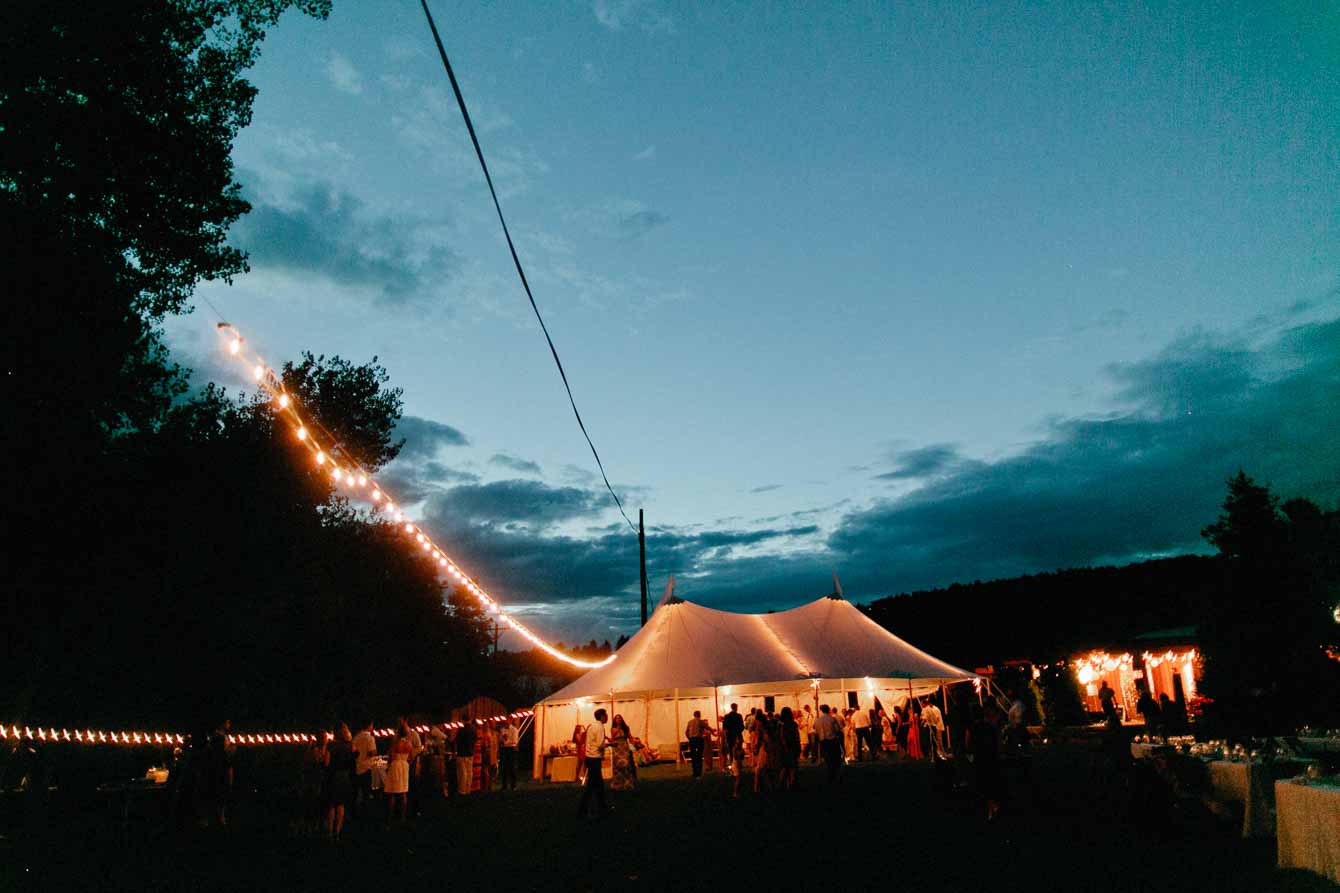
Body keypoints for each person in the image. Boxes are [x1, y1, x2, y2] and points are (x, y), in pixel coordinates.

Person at [967, 705, 1003, 820]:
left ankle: (989, 808)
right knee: (990, 782)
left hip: (980, 758)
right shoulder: (990, 727)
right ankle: (992, 806)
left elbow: (968, 745)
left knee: (983, 783)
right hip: (990, 757)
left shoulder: (972, 729)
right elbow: (997, 742)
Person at [577, 708, 610, 817]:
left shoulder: (591, 726)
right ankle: (584, 807)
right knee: (592, 785)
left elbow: (590, 742)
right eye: (606, 715)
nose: (607, 717)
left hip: (590, 757)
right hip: (595, 758)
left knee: (597, 784)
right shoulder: (600, 727)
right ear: (601, 716)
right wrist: (609, 745)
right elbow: (600, 744)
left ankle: (601, 806)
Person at [325, 723, 355, 839]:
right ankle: (337, 831)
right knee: (341, 805)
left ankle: (329, 831)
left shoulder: (331, 745)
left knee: (331, 804)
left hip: (333, 776)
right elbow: (354, 757)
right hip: (344, 776)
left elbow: (327, 762)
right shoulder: (349, 745)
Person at [300, 732, 329, 836]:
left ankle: (319, 827)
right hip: (314, 781)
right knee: (313, 804)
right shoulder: (314, 750)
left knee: (320, 805)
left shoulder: (326, 750)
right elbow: (318, 763)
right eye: (325, 737)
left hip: (322, 780)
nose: (327, 739)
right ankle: (311, 828)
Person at [384, 723, 412, 823]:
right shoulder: (408, 744)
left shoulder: (395, 744)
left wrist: (388, 765)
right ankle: (402, 817)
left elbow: (390, 757)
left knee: (392, 792)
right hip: (404, 766)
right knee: (403, 792)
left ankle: (389, 817)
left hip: (395, 765)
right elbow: (411, 758)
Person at [352, 719, 377, 810]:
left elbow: (353, 751)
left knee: (356, 791)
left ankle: (355, 810)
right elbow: (372, 752)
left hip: (357, 767)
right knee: (366, 792)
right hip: (366, 768)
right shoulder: (370, 738)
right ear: (369, 725)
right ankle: (365, 810)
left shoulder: (356, 737)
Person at [814, 704, 842, 783]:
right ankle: (835, 773)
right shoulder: (832, 719)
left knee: (828, 757)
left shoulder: (818, 720)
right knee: (835, 757)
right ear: (828, 709)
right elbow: (837, 729)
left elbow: (816, 730)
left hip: (823, 741)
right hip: (832, 740)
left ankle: (830, 771)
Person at [609, 714, 636, 791]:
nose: (618, 720)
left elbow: (630, 737)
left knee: (626, 764)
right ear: (615, 720)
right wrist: (618, 729)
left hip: (624, 747)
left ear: (622, 720)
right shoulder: (613, 729)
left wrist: (634, 741)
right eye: (617, 719)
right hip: (617, 748)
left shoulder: (626, 728)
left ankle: (627, 783)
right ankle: (618, 784)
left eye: (619, 718)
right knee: (618, 766)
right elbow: (612, 738)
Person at [778, 707, 800, 790]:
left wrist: (784, 746)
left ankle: (784, 784)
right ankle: (791, 783)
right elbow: (796, 736)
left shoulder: (781, 724)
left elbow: (781, 736)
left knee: (785, 767)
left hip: (785, 747)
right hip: (792, 746)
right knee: (792, 766)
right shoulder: (793, 724)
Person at [454, 719, 476, 797]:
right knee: (469, 772)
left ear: (463, 721)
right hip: (470, 753)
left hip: (462, 753)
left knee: (462, 773)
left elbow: (456, 740)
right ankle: (468, 789)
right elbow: (474, 740)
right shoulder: (473, 729)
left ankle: (462, 791)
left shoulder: (461, 730)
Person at [721, 704, 745, 772]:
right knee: (739, 751)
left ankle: (733, 765)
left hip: (730, 737)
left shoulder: (727, 716)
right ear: (736, 708)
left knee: (731, 752)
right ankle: (739, 765)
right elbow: (742, 727)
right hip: (737, 736)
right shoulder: (739, 716)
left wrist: (726, 737)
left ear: (731, 707)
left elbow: (724, 728)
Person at [498, 717, 519, 791]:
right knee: (504, 768)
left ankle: (513, 786)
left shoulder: (514, 730)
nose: (505, 721)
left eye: (507, 720)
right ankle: (504, 786)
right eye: (505, 720)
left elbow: (515, 741)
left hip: (511, 750)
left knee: (512, 768)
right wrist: (501, 741)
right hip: (504, 750)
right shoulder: (502, 729)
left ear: (510, 721)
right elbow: (500, 739)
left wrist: (506, 742)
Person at [685, 710, 708, 779]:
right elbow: (707, 727)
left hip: (692, 740)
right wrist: (713, 731)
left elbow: (686, 732)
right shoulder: (701, 721)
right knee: (699, 756)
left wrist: (689, 738)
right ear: (699, 715)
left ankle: (694, 772)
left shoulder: (690, 722)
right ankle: (698, 773)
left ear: (694, 715)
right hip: (699, 740)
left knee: (693, 756)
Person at [479, 722, 497, 793]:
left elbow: (486, 746)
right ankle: (489, 786)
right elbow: (495, 746)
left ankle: (486, 786)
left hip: (486, 754)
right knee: (490, 771)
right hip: (492, 755)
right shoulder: (493, 734)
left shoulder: (485, 735)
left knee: (485, 770)